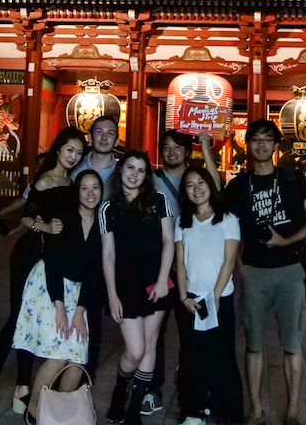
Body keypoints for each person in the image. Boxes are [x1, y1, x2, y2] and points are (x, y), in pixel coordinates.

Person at [206, 119, 306, 425]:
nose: (261, 145)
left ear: (275, 145)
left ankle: (293, 411)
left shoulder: (292, 179)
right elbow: (215, 202)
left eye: (267, 139)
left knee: (292, 343)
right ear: (248, 144)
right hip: (255, 273)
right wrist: (207, 151)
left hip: (290, 271)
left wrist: (286, 240)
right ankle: (256, 410)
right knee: (254, 343)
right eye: (255, 139)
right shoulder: (240, 186)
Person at [0, 127, 86, 415]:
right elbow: (26, 216)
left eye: (79, 153)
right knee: (21, 315)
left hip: (49, 256)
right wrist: (45, 226)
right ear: (58, 149)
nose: (74, 156)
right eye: (70, 150)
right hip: (30, 255)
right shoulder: (45, 181)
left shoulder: (71, 182)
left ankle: (23, 385)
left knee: (33, 318)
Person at [16, 169, 104, 423]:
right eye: (84, 188)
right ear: (77, 192)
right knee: (58, 353)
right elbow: (52, 264)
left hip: (80, 293)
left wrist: (79, 311)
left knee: (77, 356)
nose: (90, 193)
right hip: (52, 289)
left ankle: (59, 414)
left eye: (95, 187)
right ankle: (33, 410)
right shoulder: (64, 218)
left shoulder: (102, 222)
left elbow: (94, 271)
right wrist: (60, 307)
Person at [100, 149, 175, 425]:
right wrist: (112, 294)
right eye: (130, 168)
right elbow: (107, 254)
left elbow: (169, 241)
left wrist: (162, 279)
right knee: (134, 349)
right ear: (121, 171)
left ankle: (134, 408)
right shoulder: (108, 207)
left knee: (150, 345)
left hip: (157, 280)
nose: (134, 174)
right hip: (125, 284)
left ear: (146, 175)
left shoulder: (159, 200)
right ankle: (121, 389)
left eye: (141, 170)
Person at [173, 166, 244, 425]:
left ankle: (230, 411)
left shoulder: (227, 219)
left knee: (222, 354)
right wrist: (183, 297)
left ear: (210, 186)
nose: (196, 189)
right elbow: (180, 262)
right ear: (185, 192)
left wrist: (214, 296)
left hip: (219, 299)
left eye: (201, 182)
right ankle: (193, 411)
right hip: (191, 300)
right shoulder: (183, 222)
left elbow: (229, 261)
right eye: (190, 185)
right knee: (192, 355)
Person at [140, 129, 195, 417]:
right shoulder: (152, 180)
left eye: (178, 147)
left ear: (188, 151)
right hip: (159, 267)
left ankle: (189, 393)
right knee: (154, 333)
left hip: (188, 267)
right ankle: (152, 389)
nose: (171, 151)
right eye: (166, 147)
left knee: (190, 334)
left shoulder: (196, 181)